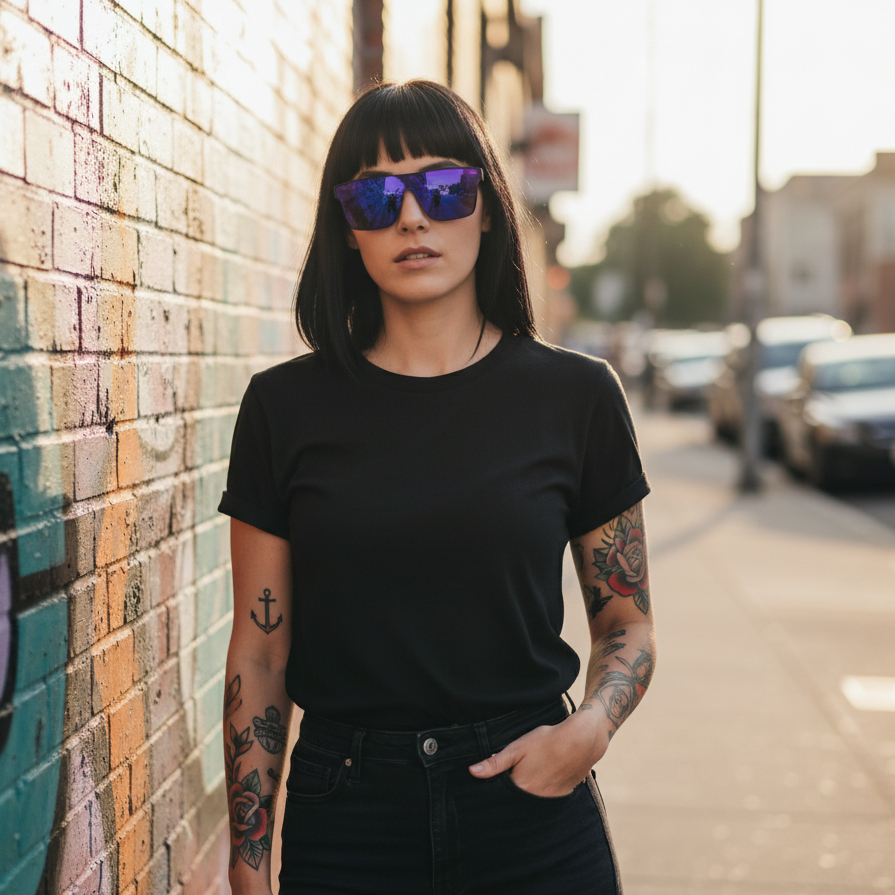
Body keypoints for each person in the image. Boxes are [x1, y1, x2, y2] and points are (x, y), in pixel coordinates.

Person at [218, 79, 655, 895]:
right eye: (376, 197)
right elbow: (261, 650)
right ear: (347, 228)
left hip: (531, 808)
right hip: (347, 820)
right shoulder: (283, 408)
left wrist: (589, 729)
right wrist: (246, 864)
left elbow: (626, 624)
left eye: (444, 188)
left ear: (486, 209)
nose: (412, 217)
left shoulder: (576, 397)